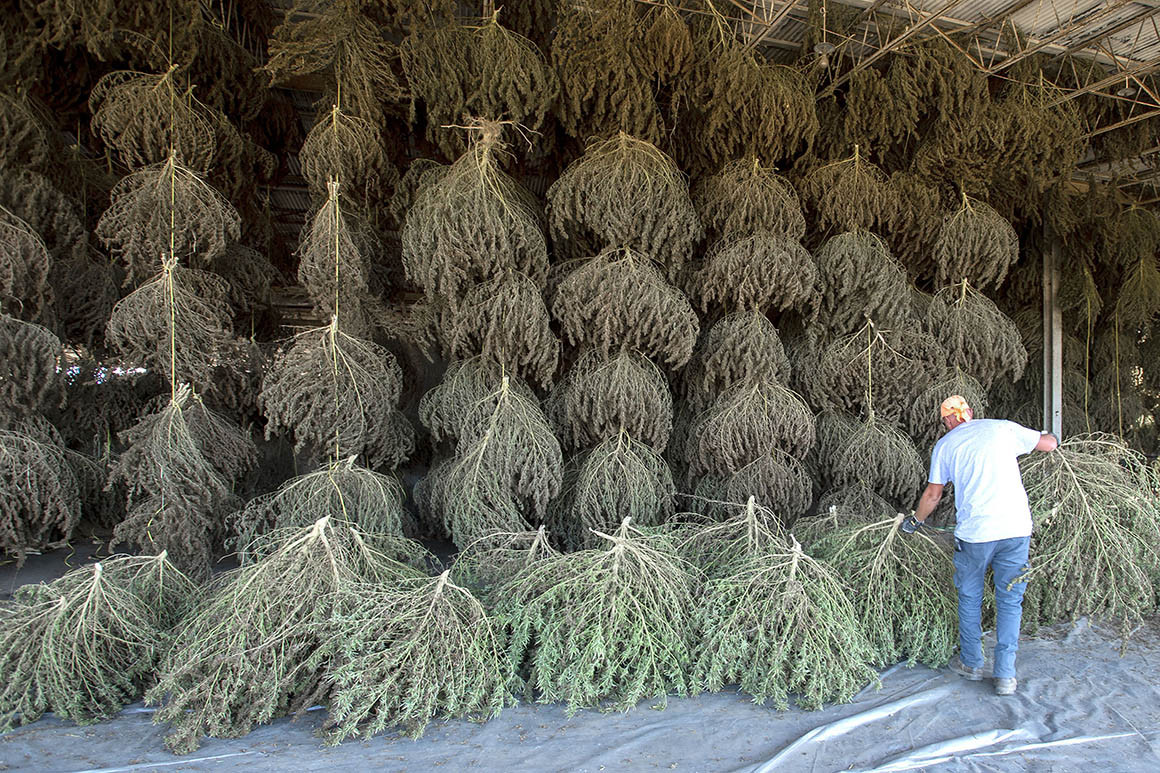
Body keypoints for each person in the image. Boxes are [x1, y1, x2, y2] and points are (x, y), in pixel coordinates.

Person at [903, 395, 1057, 696]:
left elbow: (933, 496)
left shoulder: (946, 445)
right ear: (970, 413)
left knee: (970, 596)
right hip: (1016, 530)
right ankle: (1005, 675)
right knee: (1010, 600)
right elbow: (1048, 444)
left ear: (947, 421)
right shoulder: (1002, 429)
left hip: (976, 534)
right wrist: (1051, 436)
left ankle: (972, 663)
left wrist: (915, 522)